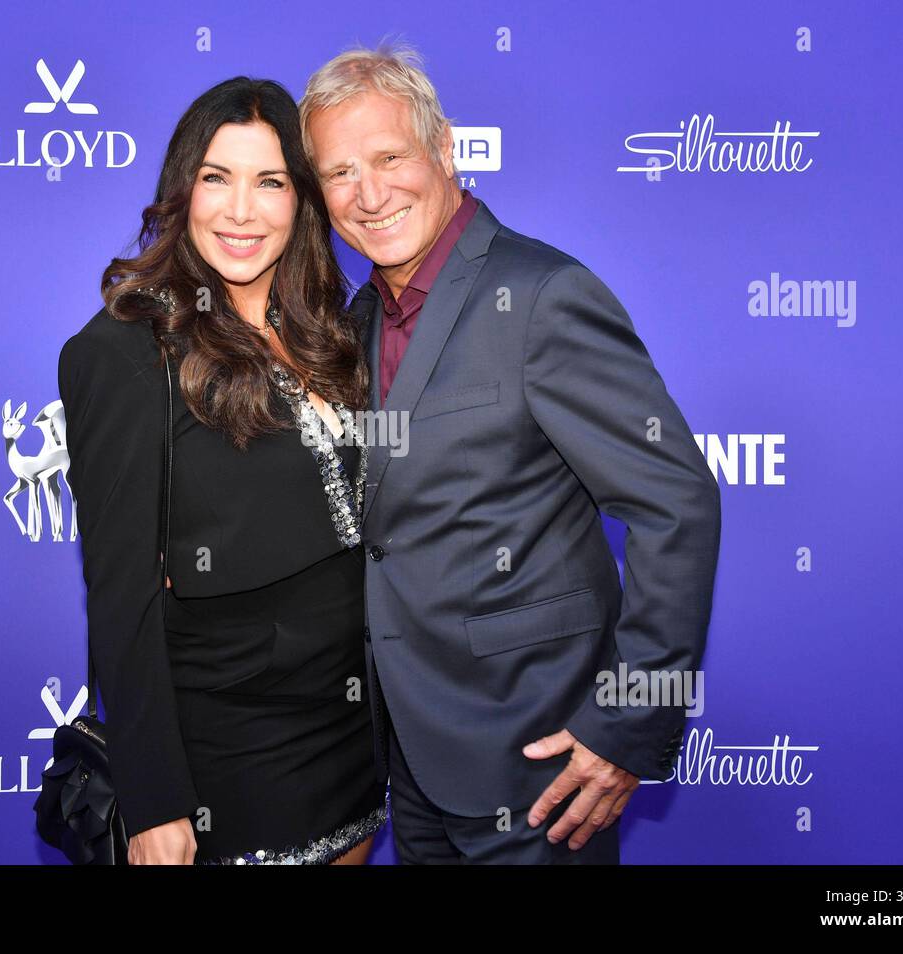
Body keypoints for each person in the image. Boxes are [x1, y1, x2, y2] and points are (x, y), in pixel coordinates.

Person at [299, 41, 722, 864]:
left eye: (389, 156)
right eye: (340, 172)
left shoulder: (540, 296)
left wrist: (630, 723)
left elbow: (679, 504)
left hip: (540, 767)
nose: (370, 193)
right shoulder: (357, 323)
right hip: (409, 765)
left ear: (445, 148)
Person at [57, 76, 386, 865]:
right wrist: (153, 799)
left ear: (302, 200)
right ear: (183, 188)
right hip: (226, 757)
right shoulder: (125, 352)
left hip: (353, 735)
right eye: (218, 178)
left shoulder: (332, 331)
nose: (242, 211)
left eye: (270, 181)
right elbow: (121, 590)